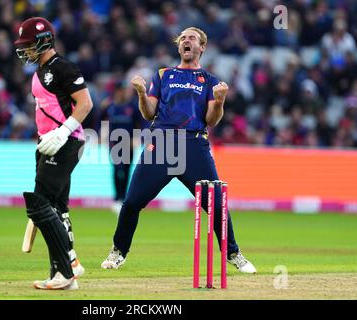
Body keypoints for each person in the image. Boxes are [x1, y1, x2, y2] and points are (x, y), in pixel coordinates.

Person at [101, 27, 256, 274]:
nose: (186, 40)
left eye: (192, 38)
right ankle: (118, 251)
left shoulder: (210, 81)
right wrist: (141, 93)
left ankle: (232, 253)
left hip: (194, 144)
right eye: (183, 37)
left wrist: (221, 100)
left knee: (216, 204)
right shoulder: (163, 75)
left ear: (202, 47)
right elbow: (149, 112)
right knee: (131, 202)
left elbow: (212, 119)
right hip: (161, 144)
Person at [14, 17, 93, 290]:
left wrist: (62, 133)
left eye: (29, 45)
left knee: (39, 205)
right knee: (57, 208)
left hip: (66, 141)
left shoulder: (64, 67)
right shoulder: (39, 71)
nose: (25, 50)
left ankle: (68, 267)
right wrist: (48, 137)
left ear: (44, 40)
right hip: (47, 143)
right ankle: (62, 273)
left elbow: (85, 103)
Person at [100, 80, 141, 215]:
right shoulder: (109, 106)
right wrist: (100, 135)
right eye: (121, 90)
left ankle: (123, 197)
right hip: (114, 144)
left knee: (127, 170)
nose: (124, 93)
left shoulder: (132, 106)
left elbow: (139, 123)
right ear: (117, 91)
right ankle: (117, 197)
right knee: (117, 169)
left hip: (128, 144)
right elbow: (99, 120)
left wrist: (136, 138)